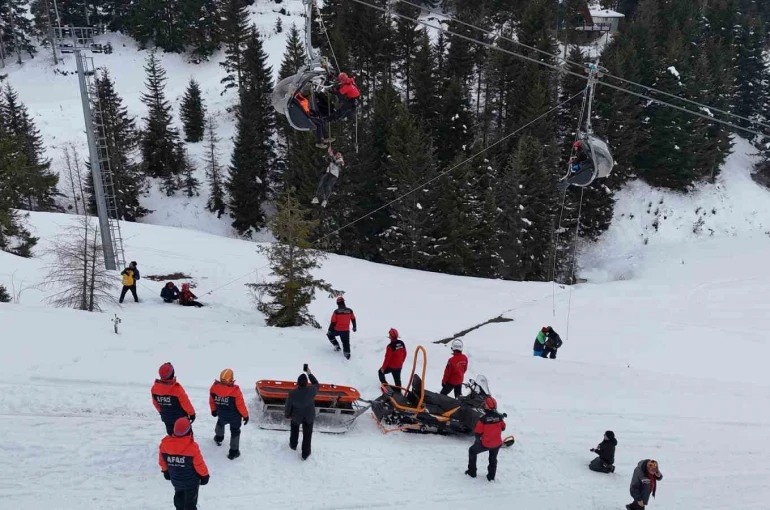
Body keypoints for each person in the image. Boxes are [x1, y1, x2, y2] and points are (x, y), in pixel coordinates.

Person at [159, 417, 210, 510]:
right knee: (190, 501)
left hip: (176, 479)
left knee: (179, 495)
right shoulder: (192, 447)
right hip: (191, 482)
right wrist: (205, 476)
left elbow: (162, 461)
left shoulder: (164, 445)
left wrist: (165, 471)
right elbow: (199, 464)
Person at [209, 368, 249, 460]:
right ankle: (234, 452)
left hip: (222, 414)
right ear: (231, 379)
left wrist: (213, 410)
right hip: (235, 417)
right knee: (235, 431)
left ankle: (218, 438)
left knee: (220, 423)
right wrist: (245, 416)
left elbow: (212, 400)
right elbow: (240, 405)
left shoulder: (214, 388)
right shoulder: (235, 391)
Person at [466, 396, 506, 482]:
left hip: (486, 444)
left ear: (487, 406)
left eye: (485, 404)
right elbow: (503, 427)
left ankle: (472, 472)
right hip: (497, 443)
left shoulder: (483, 419)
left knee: (472, 451)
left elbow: (477, 433)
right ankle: (491, 477)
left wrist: (477, 441)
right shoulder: (499, 417)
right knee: (493, 459)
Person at [284, 365, 319, 460]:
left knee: (294, 431)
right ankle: (305, 453)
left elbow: (288, 406)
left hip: (296, 417)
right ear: (307, 383)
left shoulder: (292, 393)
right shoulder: (312, 390)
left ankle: (293, 445)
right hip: (309, 416)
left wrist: (287, 415)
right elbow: (316, 383)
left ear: (297, 383)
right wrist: (309, 373)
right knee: (307, 435)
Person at [152, 362, 196, 436]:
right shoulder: (176, 388)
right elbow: (185, 403)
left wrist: (162, 412)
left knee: (172, 435)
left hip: (167, 418)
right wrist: (192, 414)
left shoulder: (155, 388)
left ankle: (172, 447)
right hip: (181, 420)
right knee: (187, 437)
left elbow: (155, 404)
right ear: (172, 374)